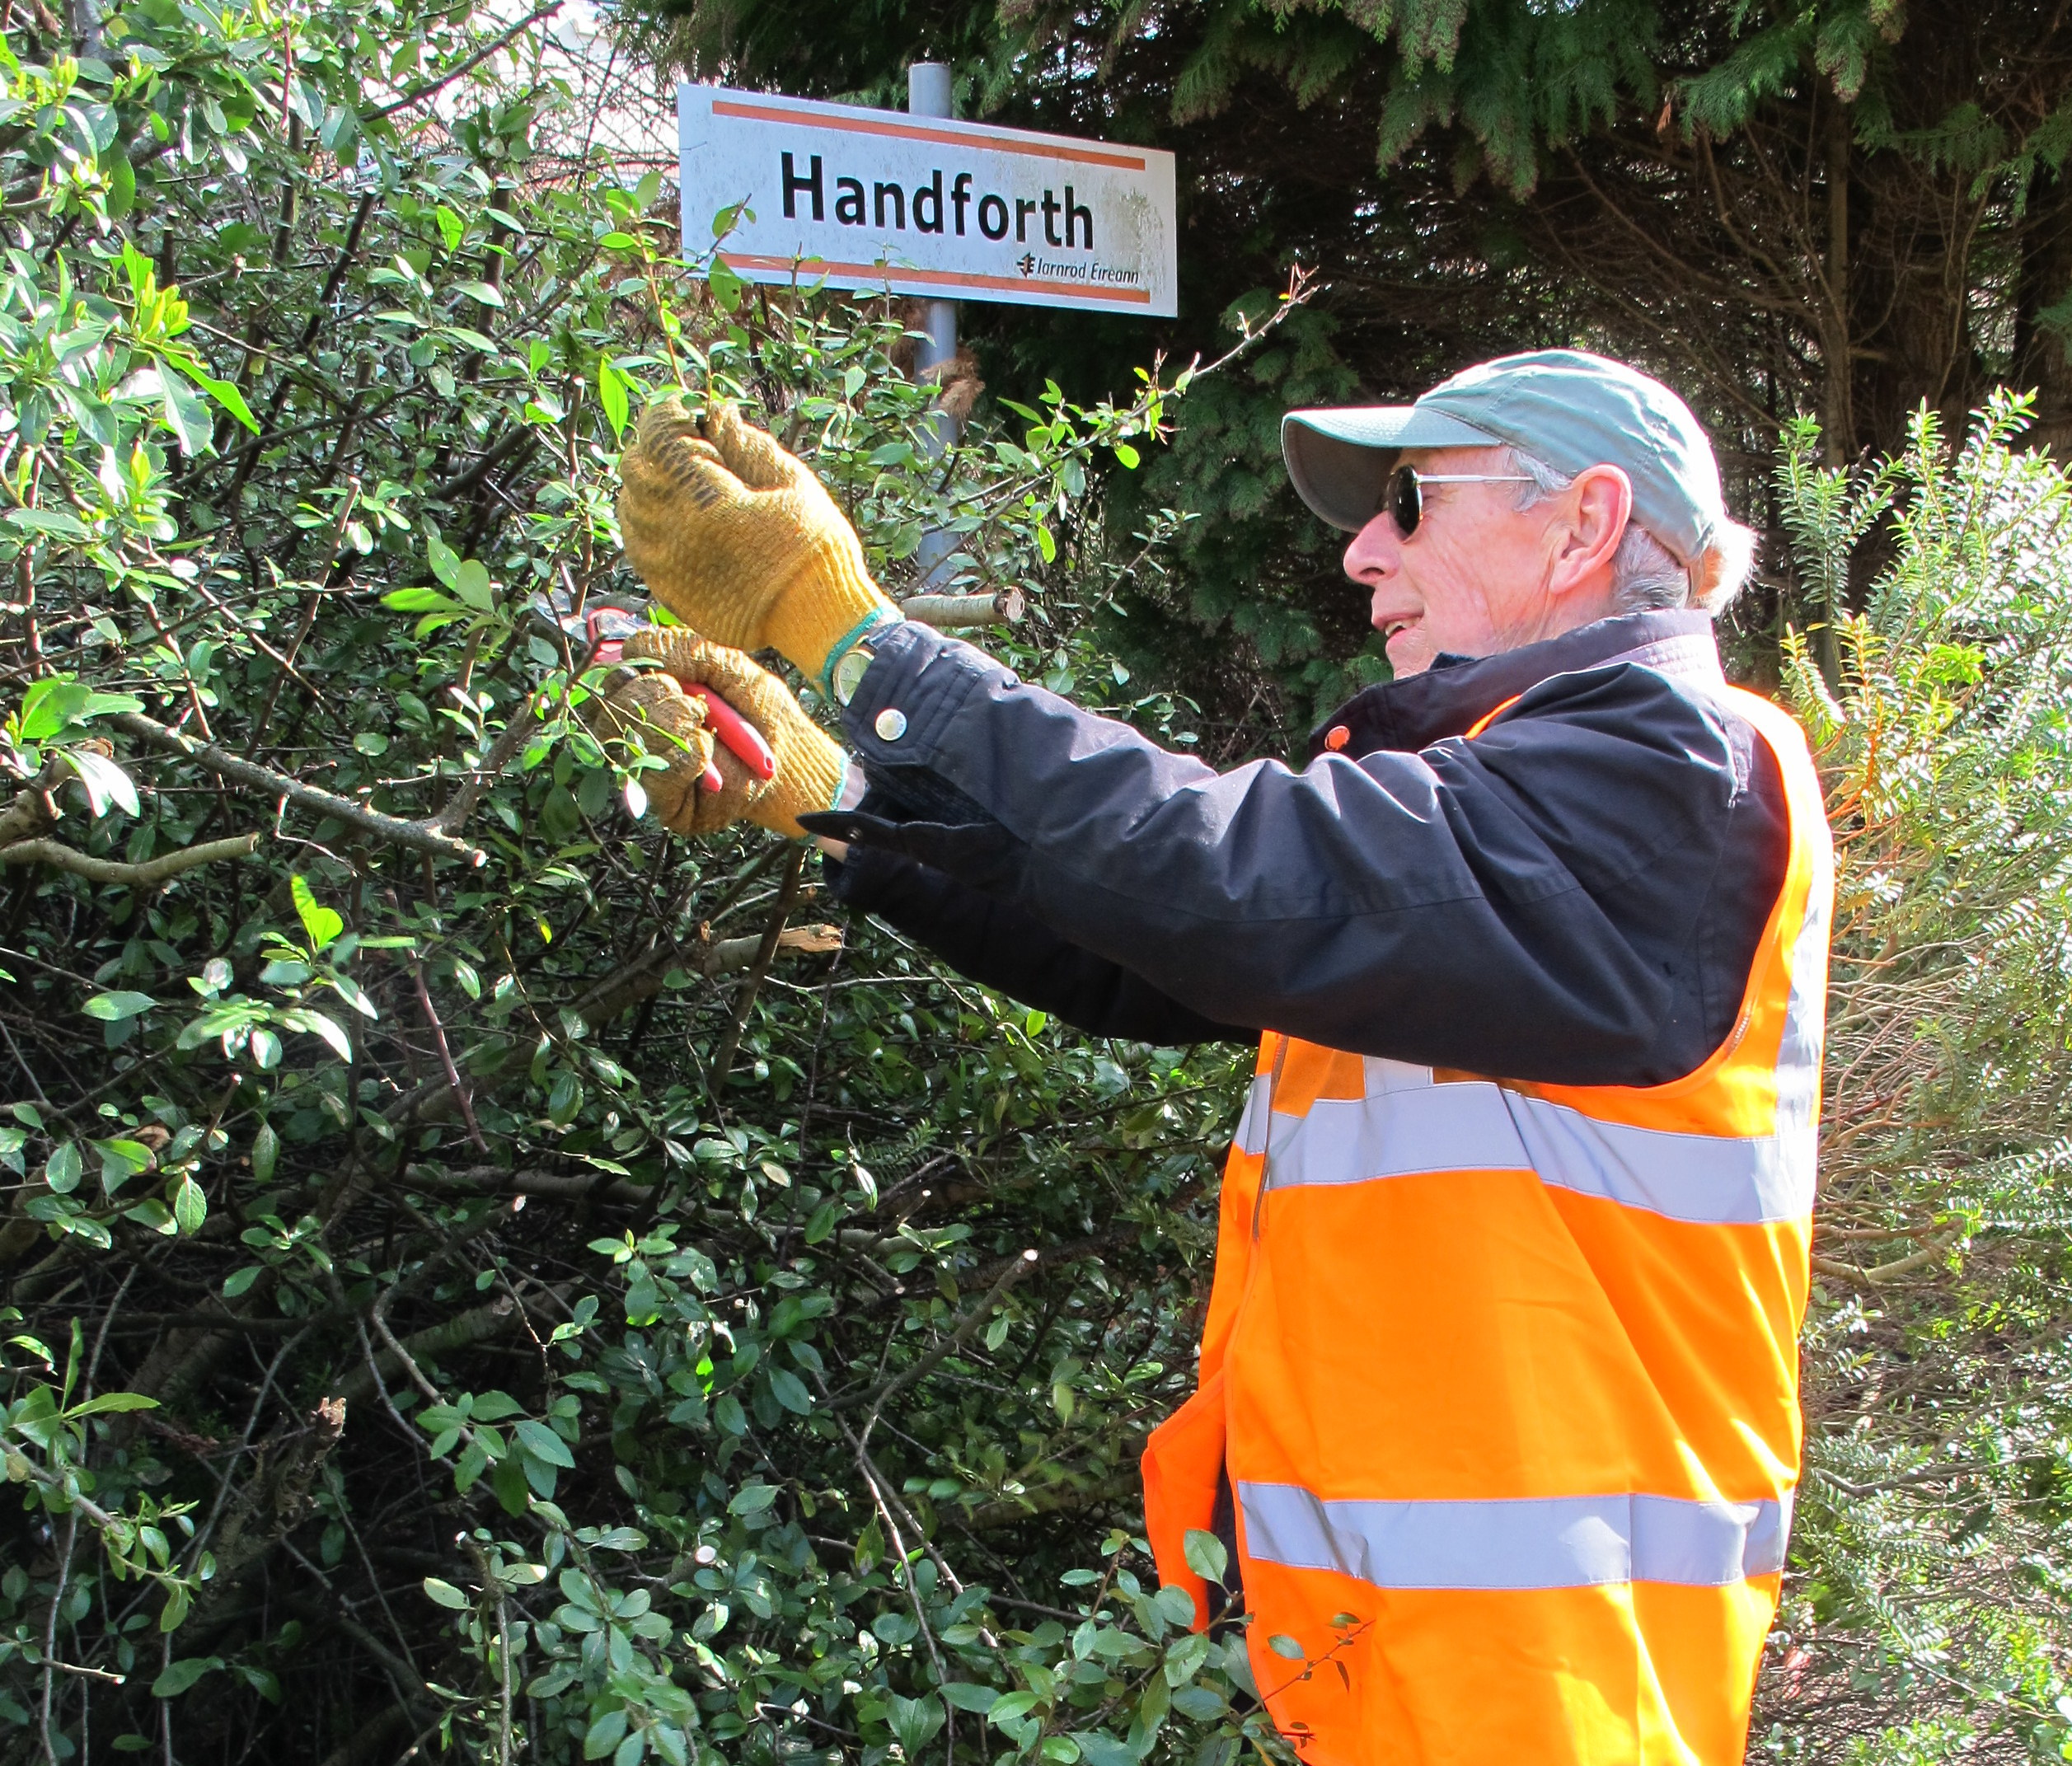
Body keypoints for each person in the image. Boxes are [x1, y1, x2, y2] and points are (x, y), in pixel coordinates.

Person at [599, 349, 1832, 1766]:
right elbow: (1144, 947)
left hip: (1547, 1685)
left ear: (1583, 524)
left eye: (1413, 504)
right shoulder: (1502, 803)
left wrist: (850, 633)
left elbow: (1233, 874)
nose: (1365, 553)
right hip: (1401, 1667)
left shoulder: (1675, 764)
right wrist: (838, 795)